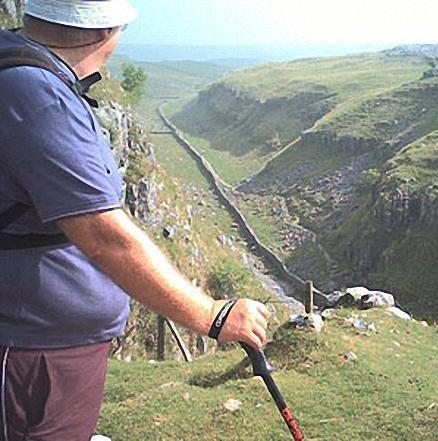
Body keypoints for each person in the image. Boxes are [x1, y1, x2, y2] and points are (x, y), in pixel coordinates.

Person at [0, 1, 270, 440]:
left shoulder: (18, 66)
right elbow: (108, 240)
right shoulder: (40, 98)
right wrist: (214, 316)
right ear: (103, 32)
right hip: (35, 352)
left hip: (40, 343)